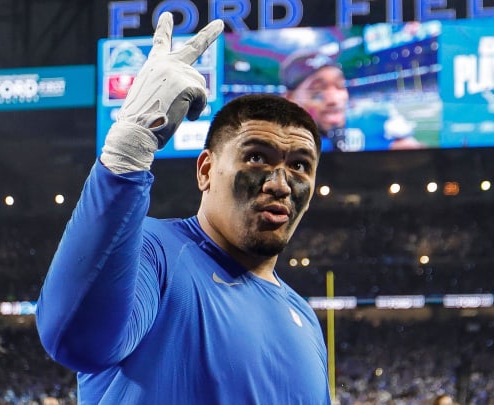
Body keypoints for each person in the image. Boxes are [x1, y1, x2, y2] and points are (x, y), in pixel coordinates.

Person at [35, 12, 331, 404]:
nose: (280, 184)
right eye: (257, 158)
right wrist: (127, 150)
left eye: (299, 165)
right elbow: (75, 339)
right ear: (206, 170)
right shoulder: (155, 253)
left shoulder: (305, 318)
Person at [280, 47, 424, 152]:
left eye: (340, 86)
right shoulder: (278, 145)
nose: (334, 99)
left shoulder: (374, 122)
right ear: (290, 99)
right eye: (317, 90)